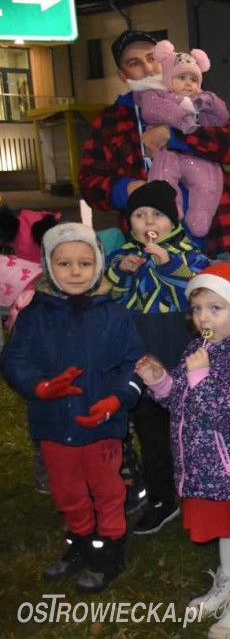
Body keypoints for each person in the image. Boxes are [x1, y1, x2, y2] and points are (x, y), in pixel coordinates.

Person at [137, 264, 230, 639]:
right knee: (223, 530)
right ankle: (229, 583)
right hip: (205, 465)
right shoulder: (200, 347)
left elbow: (229, 417)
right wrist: (163, 383)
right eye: (198, 308)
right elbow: (183, 403)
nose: (203, 317)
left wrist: (198, 379)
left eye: (216, 308)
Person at [1, 223, 145, 593]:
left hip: (102, 425)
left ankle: (110, 550)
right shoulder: (35, 315)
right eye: (64, 264)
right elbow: (15, 360)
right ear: (49, 267)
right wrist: (39, 387)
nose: (76, 271)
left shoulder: (116, 315)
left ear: (97, 265)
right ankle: (79, 543)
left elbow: (135, 365)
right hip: (53, 424)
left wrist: (117, 399)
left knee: (107, 491)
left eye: (84, 263)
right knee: (67, 491)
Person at [80, 30, 230, 258]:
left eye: (152, 58)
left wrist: (175, 136)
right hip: (147, 244)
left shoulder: (199, 100)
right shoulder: (110, 120)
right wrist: (127, 189)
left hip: (210, 240)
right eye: (134, 63)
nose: (148, 68)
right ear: (122, 74)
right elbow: (89, 182)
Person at [106, 180, 210, 536]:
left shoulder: (191, 253)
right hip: (140, 356)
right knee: (150, 431)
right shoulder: (122, 257)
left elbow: (202, 291)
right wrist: (121, 273)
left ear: (173, 220)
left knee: (191, 427)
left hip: (182, 353)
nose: (148, 221)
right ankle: (162, 498)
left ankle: (202, 492)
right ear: (129, 221)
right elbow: (112, 300)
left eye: (158, 214)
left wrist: (170, 266)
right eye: (139, 214)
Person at [134, 40, 230, 238]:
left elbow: (221, 119)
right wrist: (181, 119)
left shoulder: (201, 100)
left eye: (193, 79)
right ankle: (169, 212)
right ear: (168, 79)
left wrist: (211, 102)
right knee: (162, 178)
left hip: (199, 158)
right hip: (169, 156)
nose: (188, 83)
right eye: (181, 77)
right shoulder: (159, 96)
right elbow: (155, 110)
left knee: (209, 183)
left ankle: (200, 218)